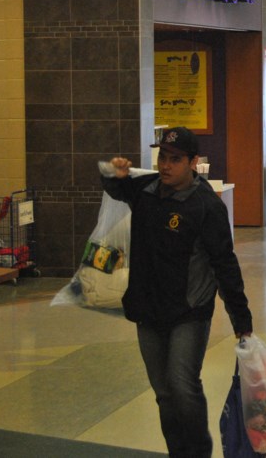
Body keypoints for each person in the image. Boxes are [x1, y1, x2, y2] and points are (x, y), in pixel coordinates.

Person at [102, 127, 253, 458]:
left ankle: (197, 452)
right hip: (148, 309)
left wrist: (240, 317)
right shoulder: (146, 190)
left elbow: (224, 264)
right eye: (162, 158)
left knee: (183, 386)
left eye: (175, 160)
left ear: (193, 162)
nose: (165, 166)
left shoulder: (206, 207)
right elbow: (117, 187)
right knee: (164, 393)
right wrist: (116, 173)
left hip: (189, 311)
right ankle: (178, 452)